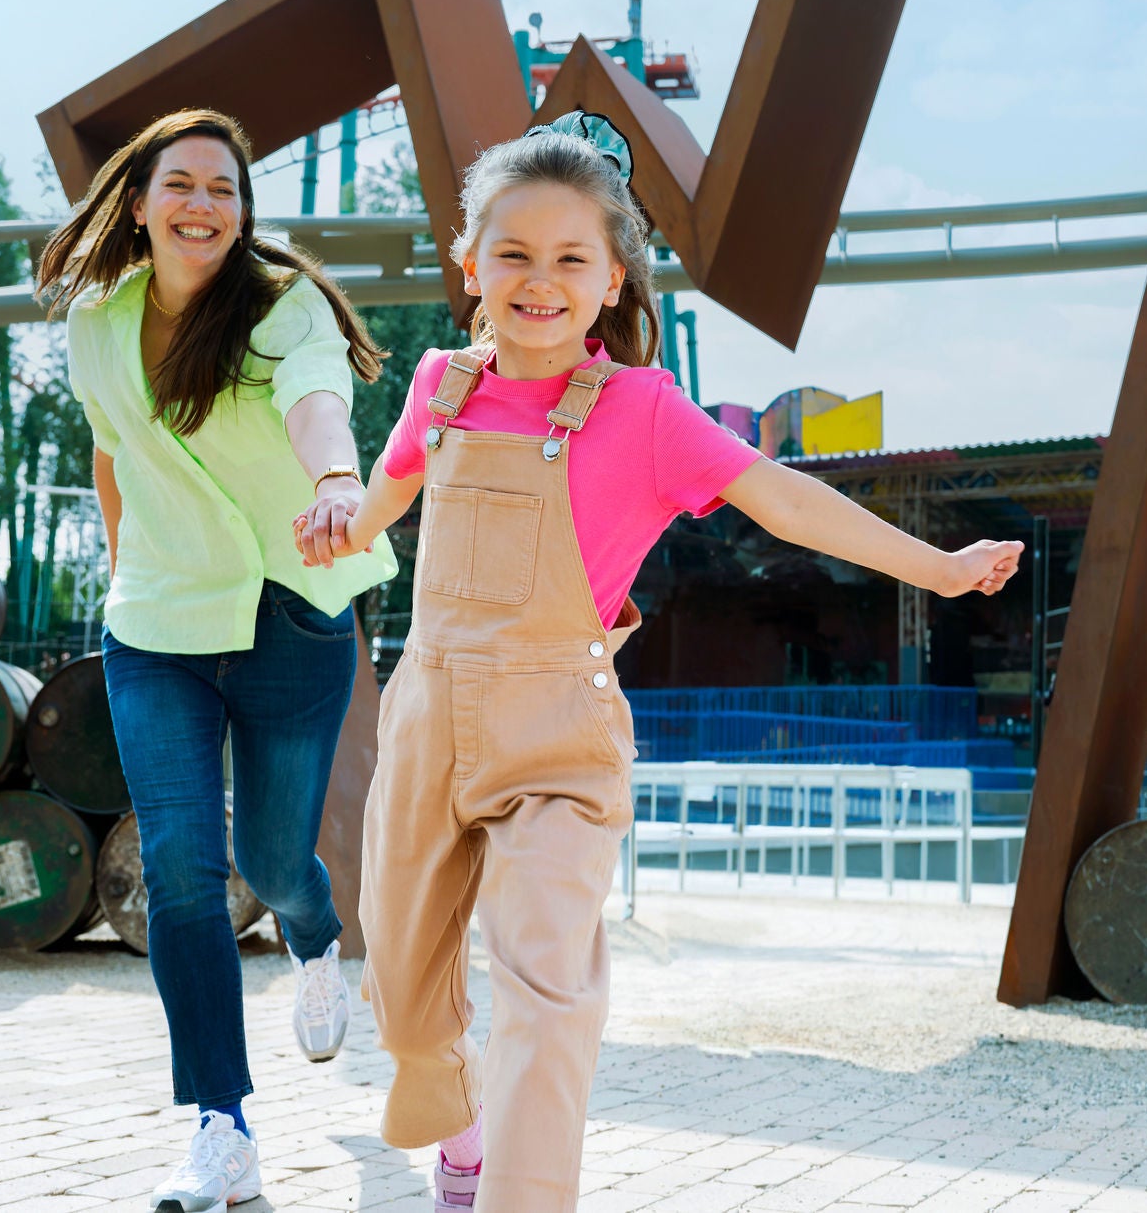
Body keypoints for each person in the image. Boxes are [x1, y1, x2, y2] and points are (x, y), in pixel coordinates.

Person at [294, 111, 1023, 1212]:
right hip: (428, 720)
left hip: (558, 735)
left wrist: (936, 565)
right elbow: (377, 505)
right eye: (514, 254)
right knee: (399, 990)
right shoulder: (437, 387)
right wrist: (334, 503)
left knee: (544, 977)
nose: (539, 281)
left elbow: (782, 497)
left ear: (610, 280)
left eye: (570, 259)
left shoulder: (641, 410)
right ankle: (462, 1113)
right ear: (468, 262)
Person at [41, 108, 398, 1213]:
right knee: (184, 871)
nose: (204, 206)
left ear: (243, 213)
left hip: (290, 609)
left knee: (274, 857)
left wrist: (339, 482)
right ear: (138, 203)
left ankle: (315, 933)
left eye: (225, 190)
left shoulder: (281, 307)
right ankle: (220, 1125)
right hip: (156, 625)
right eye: (181, 185)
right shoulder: (95, 324)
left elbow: (317, 404)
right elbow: (113, 449)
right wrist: (121, 567)